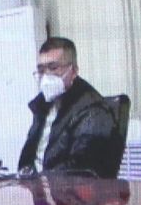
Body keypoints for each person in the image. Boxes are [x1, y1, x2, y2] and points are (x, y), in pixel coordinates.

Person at [17, 37, 122, 178]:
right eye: (41, 70)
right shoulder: (42, 106)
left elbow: (81, 167)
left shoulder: (93, 110)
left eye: (53, 68)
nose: (46, 76)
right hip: (36, 185)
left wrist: (40, 179)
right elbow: (27, 159)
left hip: (66, 188)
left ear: (73, 71)